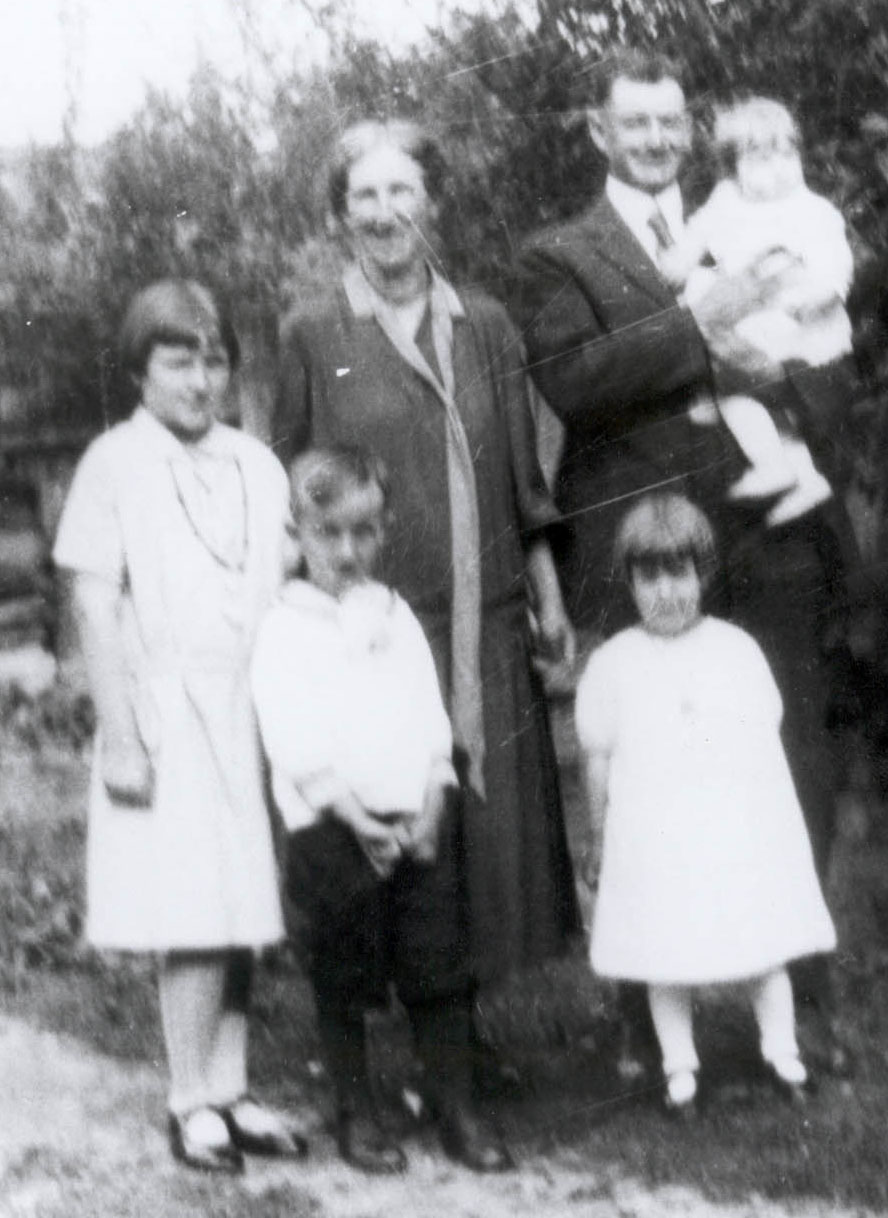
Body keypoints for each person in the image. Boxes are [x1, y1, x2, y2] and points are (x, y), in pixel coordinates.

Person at [509, 49, 855, 1074]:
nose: (658, 139)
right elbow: (576, 379)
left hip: (764, 531)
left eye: (671, 121)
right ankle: (641, 1012)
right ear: (598, 131)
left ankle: (797, 999)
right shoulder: (559, 254)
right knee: (642, 772)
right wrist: (700, 324)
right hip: (643, 546)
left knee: (791, 755)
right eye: (636, 122)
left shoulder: (741, 224)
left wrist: (797, 409)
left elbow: (821, 347)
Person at [273, 120, 581, 1000]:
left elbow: (522, 479)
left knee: (482, 839)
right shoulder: (313, 332)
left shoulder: (485, 325)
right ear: (341, 215)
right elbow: (288, 487)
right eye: (364, 196)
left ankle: (461, 1034)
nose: (384, 212)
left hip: (485, 626)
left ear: (431, 203)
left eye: (400, 190)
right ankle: (394, 1031)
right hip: (373, 639)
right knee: (389, 828)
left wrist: (550, 604)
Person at [53, 280, 306, 1173]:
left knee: (244, 908)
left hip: (250, 707)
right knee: (194, 909)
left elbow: (283, 578)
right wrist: (122, 737)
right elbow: (93, 604)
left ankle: (230, 1088)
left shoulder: (256, 462)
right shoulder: (114, 462)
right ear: (139, 370)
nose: (201, 381)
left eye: (215, 361)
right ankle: (189, 1099)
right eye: (179, 361)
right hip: (166, 716)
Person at [251, 445, 511, 1174]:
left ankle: (456, 1107)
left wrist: (432, 805)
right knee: (343, 972)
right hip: (333, 831)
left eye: (363, 532)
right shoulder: (284, 628)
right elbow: (292, 738)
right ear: (297, 534)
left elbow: (430, 719)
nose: (347, 551)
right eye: (328, 533)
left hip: (412, 827)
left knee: (438, 968)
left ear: (384, 529)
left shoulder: (394, 615)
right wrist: (355, 817)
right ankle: (355, 1111)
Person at [576, 494, 836, 1114]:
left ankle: (782, 1052)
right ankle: (680, 1068)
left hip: (731, 832)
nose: (666, 592)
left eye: (679, 573)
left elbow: (764, 741)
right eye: (649, 577)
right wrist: (598, 834)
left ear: (704, 574)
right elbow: (597, 756)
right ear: (630, 583)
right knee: (664, 951)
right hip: (655, 840)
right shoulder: (614, 663)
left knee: (761, 944)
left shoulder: (735, 650)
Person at [659, 96, 854, 523]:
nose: (780, 168)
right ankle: (796, 472)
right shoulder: (727, 200)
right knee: (745, 397)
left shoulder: (812, 210)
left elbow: (836, 268)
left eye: (788, 154)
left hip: (802, 329)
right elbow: (699, 232)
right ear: (734, 168)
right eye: (762, 159)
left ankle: (779, 463)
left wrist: (814, 296)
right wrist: (681, 260)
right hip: (752, 325)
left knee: (739, 390)